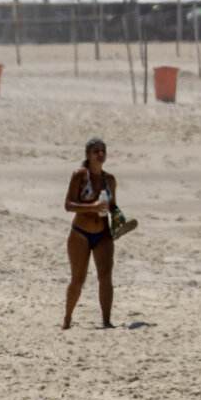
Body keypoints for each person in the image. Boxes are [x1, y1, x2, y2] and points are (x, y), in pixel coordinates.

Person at [62, 137, 117, 330]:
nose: (100, 154)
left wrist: (118, 218)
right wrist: (91, 207)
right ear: (88, 155)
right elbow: (68, 205)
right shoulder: (80, 175)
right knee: (78, 279)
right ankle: (67, 318)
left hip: (103, 234)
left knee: (106, 276)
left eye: (103, 150)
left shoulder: (109, 180)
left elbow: (113, 206)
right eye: (96, 151)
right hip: (80, 234)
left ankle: (106, 320)